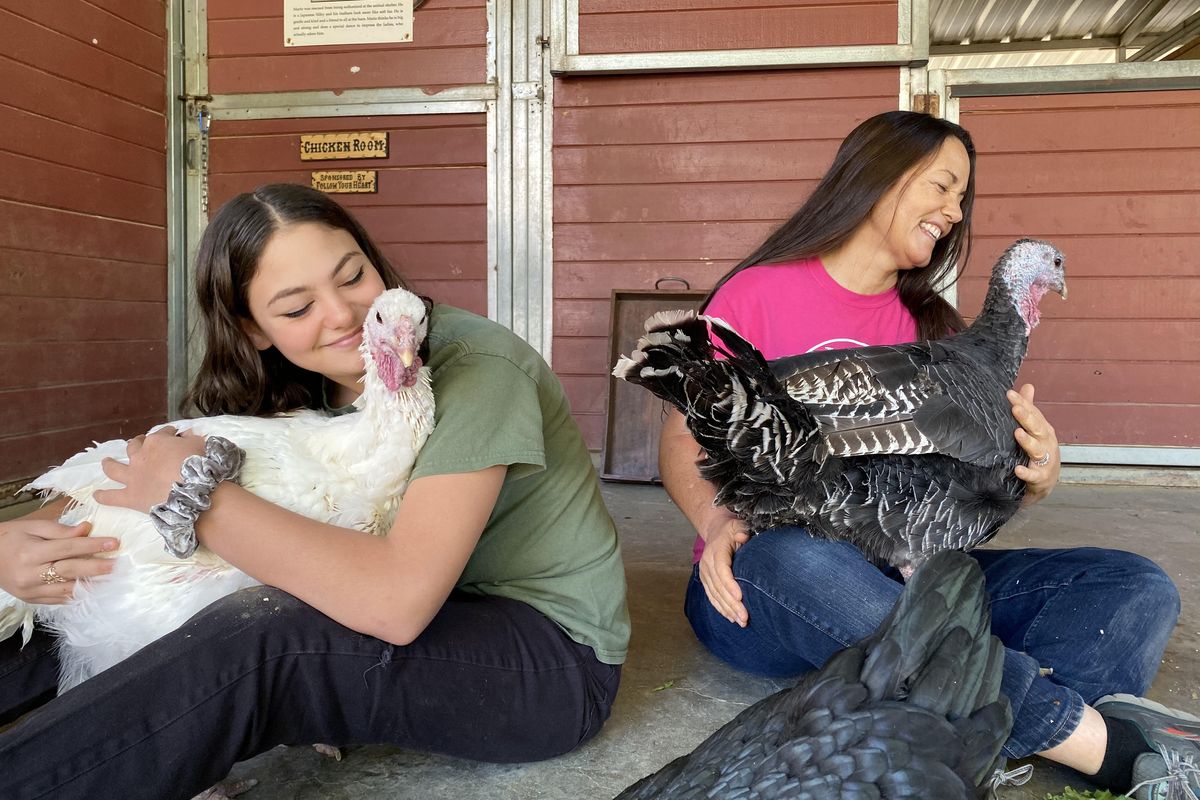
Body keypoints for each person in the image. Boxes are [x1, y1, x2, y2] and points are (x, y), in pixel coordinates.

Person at [0, 183, 630, 800]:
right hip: (397, 606)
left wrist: (197, 497)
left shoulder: (473, 371)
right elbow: (138, 475)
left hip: (545, 664)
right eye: (297, 308)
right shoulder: (303, 378)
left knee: (266, 636)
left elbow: (395, 602)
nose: (342, 315)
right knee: (101, 593)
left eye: (353, 276)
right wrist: (21, 550)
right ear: (254, 330)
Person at [660, 111, 1198, 799]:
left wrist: (1031, 474)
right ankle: (1097, 743)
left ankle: (980, 718)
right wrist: (713, 524)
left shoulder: (933, 326)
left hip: (907, 575)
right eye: (942, 187)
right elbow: (682, 436)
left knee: (1131, 588)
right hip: (768, 589)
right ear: (877, 177)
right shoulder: (758, 294)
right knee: (793, 555)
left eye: (960, 198)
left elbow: (957, 490)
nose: (953, 211)